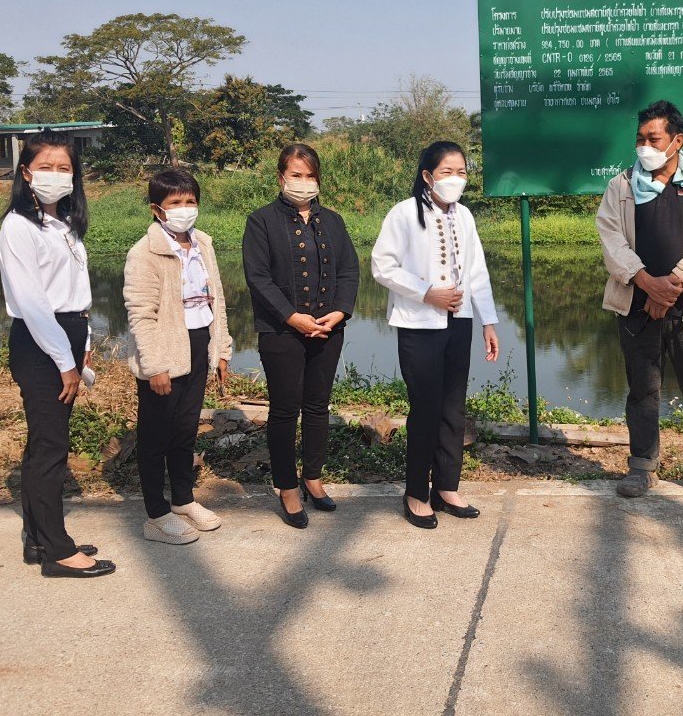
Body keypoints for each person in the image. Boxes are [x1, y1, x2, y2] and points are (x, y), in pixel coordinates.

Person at [597, 100, 683, 502]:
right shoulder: (620, 186)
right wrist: (645, 282)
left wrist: (671, 285)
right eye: (639, 139)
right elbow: (611, 240)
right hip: (636, 305)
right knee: (642, 389)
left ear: (677, 141)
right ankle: (641, 466)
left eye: (652, 138)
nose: (644, 146)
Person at [0, 130, 115, 578]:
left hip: (66, 332)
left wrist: (80, 350)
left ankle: (38, 539)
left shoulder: (63, 223)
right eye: (45, 167)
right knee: (51, 447)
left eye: (63, 168)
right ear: (26, 173)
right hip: (39, 339)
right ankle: (58, 552)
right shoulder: (18, 226)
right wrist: (63, 361)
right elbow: (32, 302)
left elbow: (74, 296)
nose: (55, 175)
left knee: (42, 442)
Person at [371, 141, 499, 529]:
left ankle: (447, 487)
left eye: (461, 172)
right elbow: (382, 265)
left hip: (458, 321)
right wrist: (427, 292)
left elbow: (477, 271)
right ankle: (415, 493)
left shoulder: (465, 216)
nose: (455, 179)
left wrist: (488, 321)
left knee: (453, 408)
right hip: (418, 324)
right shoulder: (405, 214)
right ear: (428, 176)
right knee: (424, 409)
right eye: (447, 172)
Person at [243, 143, 359, 528]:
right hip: (281, 331)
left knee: (317, 407)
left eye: (310, 176)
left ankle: (313, 477)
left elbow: (349, 271)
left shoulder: (334, 221)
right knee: (284, 410)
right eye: (296, 175)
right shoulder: (261, 222)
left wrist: (339, 312)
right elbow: (258, 278)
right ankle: (288, 488)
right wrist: (293, 317)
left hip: (328, 329)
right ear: (281, 178)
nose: (304, 183)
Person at [124, 168, 233, 545]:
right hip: (165, 350)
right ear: (158, 209)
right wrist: (154, 366)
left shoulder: (203, 243)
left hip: (199, 344)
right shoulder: (145, 252)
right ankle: (155, 513)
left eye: (190, 201)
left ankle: (183, 500)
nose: (185, 209)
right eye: (175, 203)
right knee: (155, 435)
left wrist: (221, 348)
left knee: (185, 430)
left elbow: (216, 297)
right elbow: (140, 313)